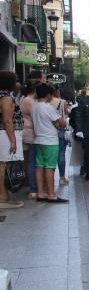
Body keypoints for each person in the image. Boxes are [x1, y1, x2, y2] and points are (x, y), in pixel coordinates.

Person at [31, 83, 68, 203]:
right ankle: (52, 194)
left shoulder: (34, 106)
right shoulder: (48, 107)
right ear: (48, 95)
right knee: (50, 167)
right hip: (50, 141)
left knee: (39, 167)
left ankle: (40, 193)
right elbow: (62, 123)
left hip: (38, 140)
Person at [0, 70, 24, 209]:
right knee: (3, 164)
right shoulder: (7, 98)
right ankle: (2, 196)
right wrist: (13, 140)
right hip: (4, 134)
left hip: (3, 133)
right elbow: (7, 120)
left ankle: (4, 195)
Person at [19, 81, 38, 198]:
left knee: (30, 160)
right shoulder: (29, 101)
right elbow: (35, 118)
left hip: (29, 133)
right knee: (32, 161)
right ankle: (33, 188)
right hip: (31, 133)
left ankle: (32, 186)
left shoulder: (25, 99)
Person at [49, 86, 70, 186]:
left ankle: (49, 178)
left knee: (49, 155)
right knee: (61, 154)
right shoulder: (62, 102)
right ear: (57, 91)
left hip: (48, 130)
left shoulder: (44, 102)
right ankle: (62, 177)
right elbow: (66, 113)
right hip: (60, 129)